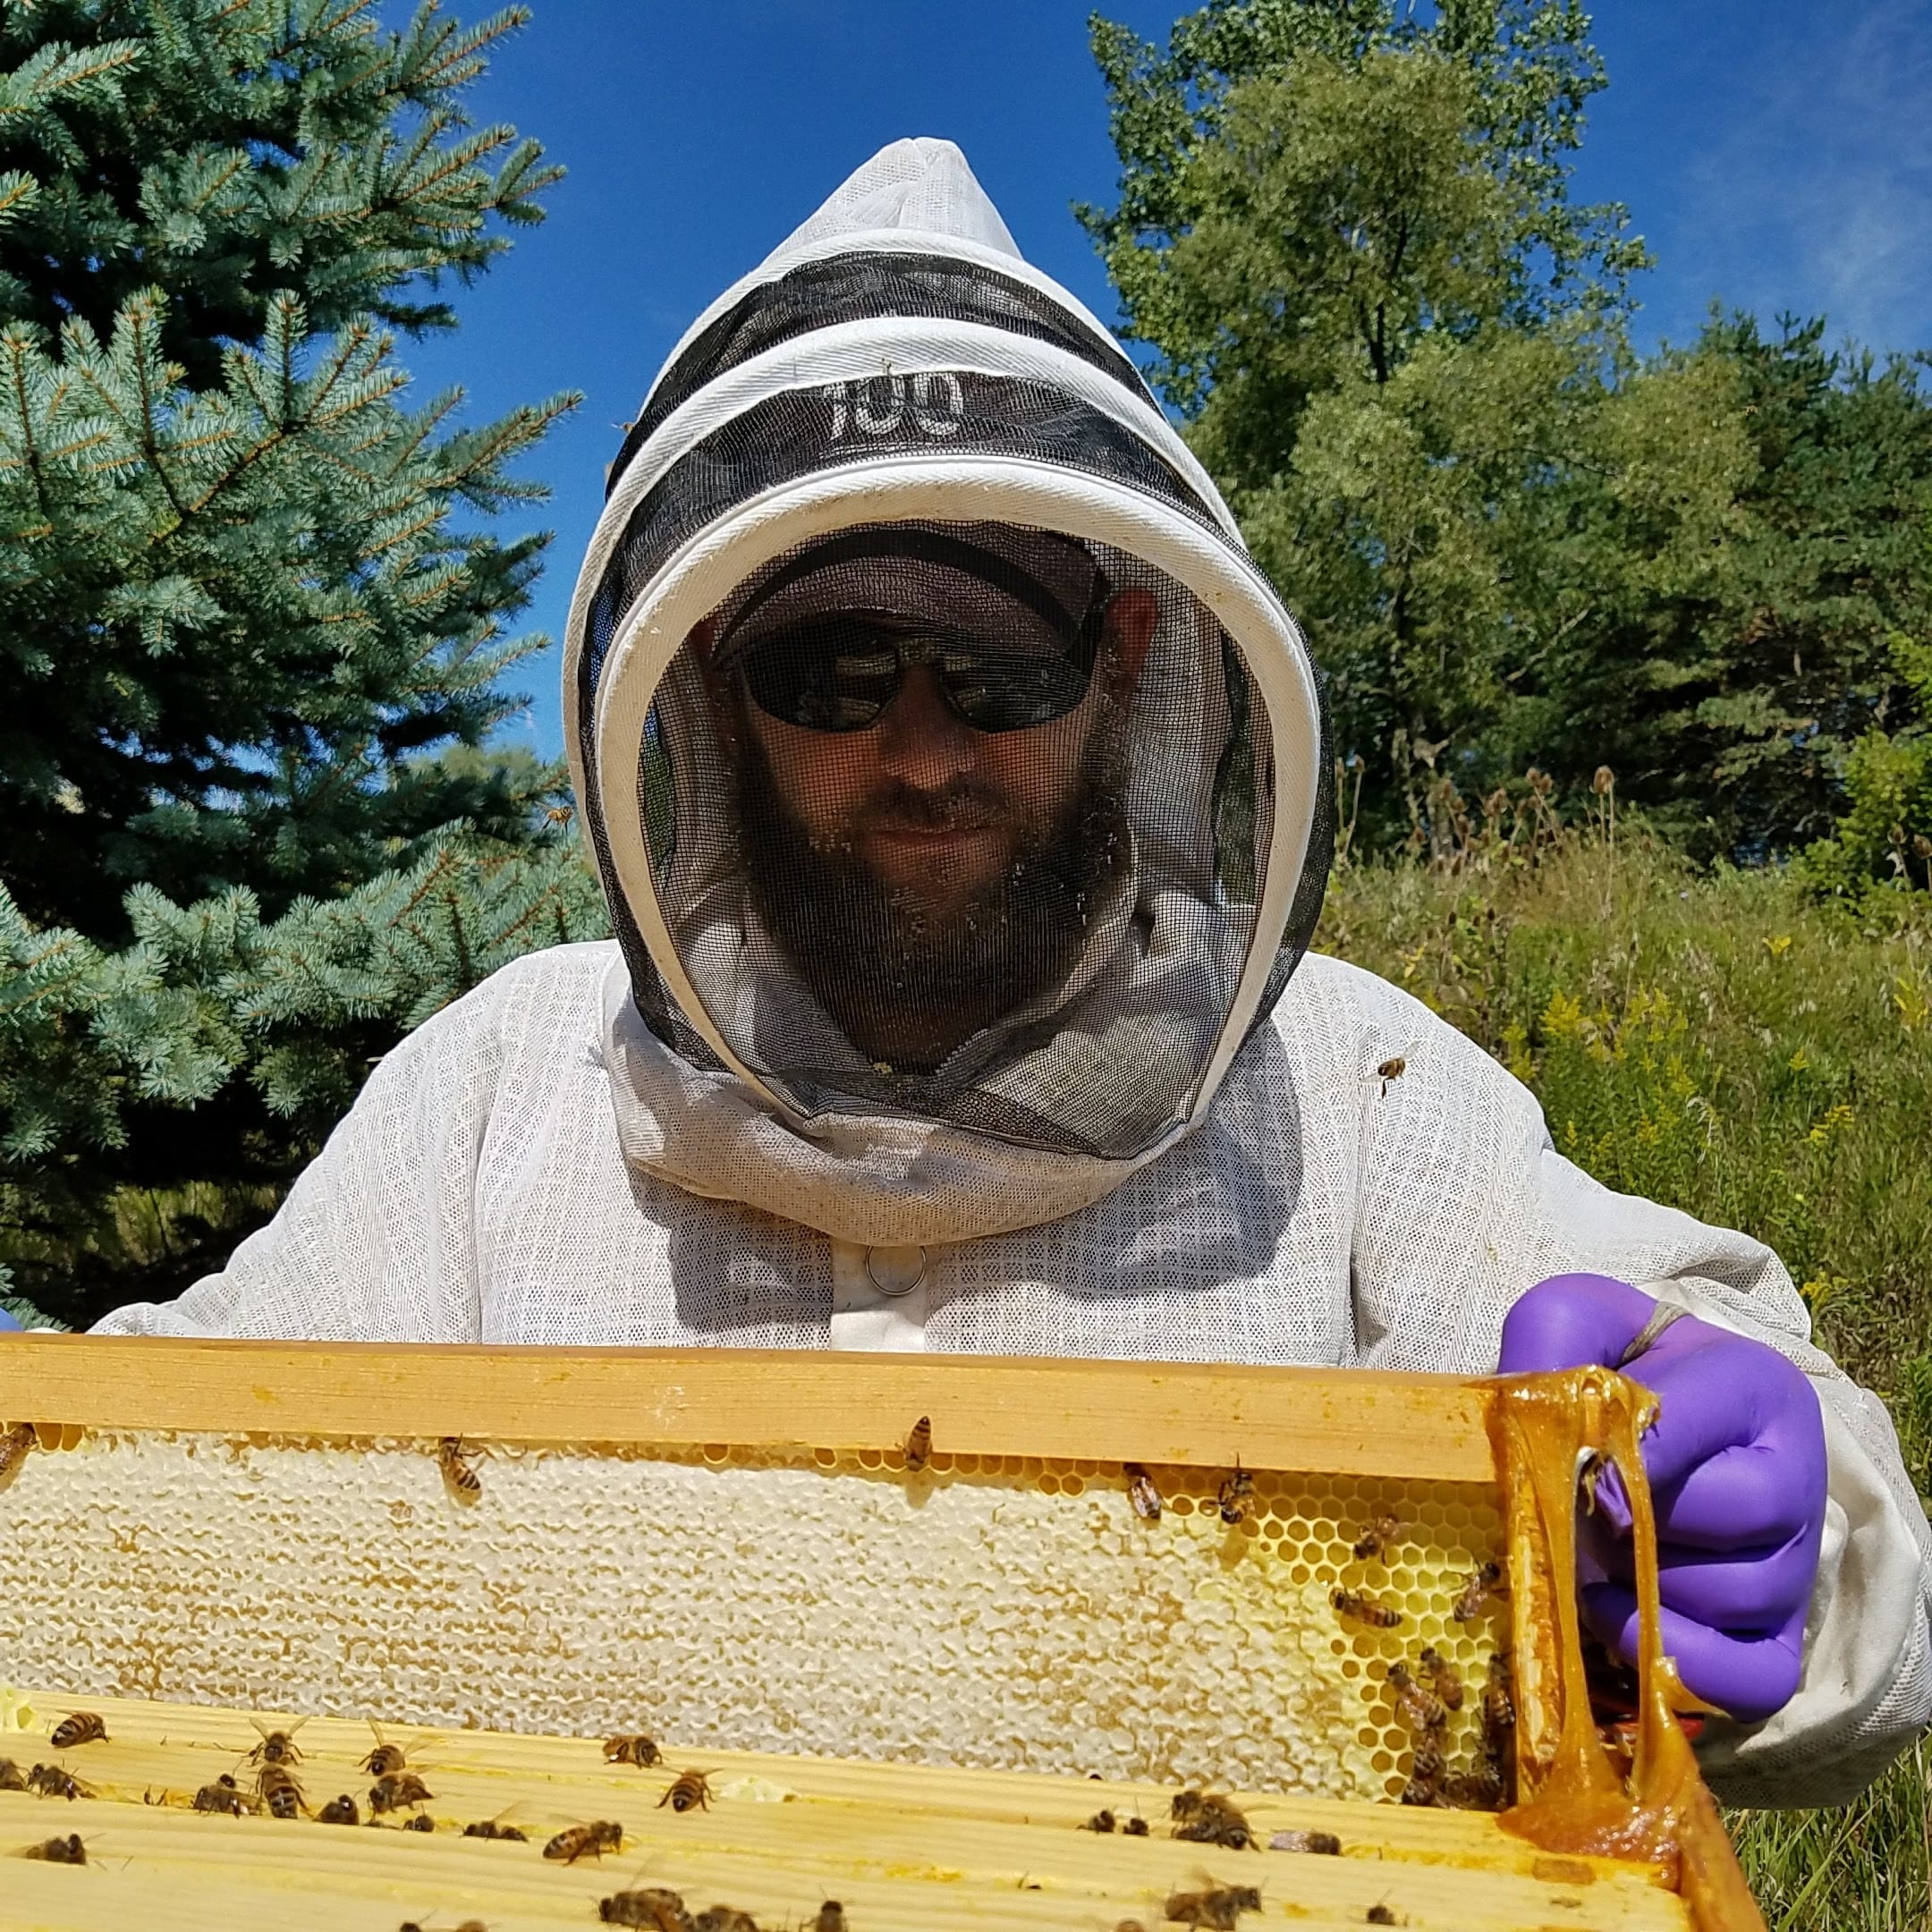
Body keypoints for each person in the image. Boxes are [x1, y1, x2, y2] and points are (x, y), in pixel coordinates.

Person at [64, 140, 1928, 1806]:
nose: (926, 752)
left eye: (1000, 672)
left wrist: (1777, 1527)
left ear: (1127, 666)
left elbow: (1859, 1605)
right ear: (711, 696)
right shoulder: (500, 1087)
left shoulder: (1346, 1089)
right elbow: (159, 1456)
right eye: (837, 677)